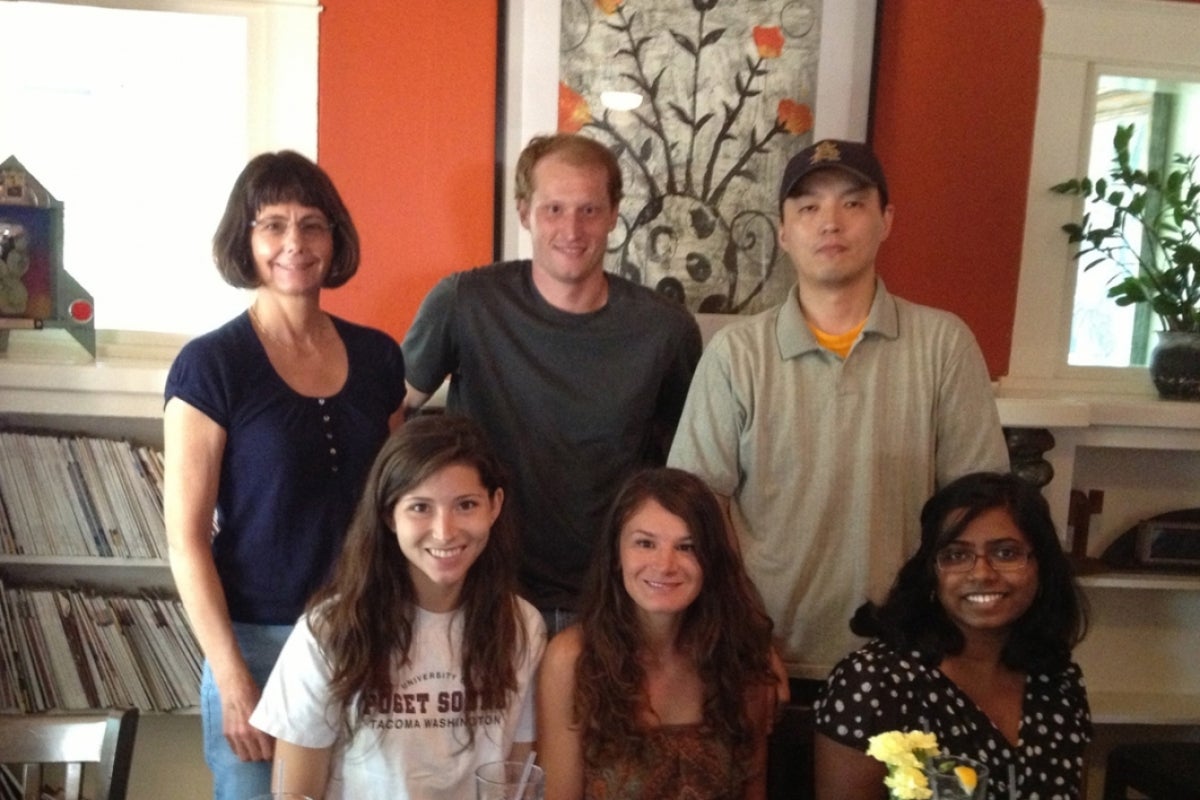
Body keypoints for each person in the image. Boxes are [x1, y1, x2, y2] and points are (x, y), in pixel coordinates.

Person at [667, 139, 1010, 683]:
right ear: (783, 231)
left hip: (909, 657)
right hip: (766, 659)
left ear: (886, 220)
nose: (831, 223)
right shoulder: (736, 355)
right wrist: (746, 631)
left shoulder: (943, 344)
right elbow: (699, 505)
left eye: (852, 203)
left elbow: (980, 505)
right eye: (808, 208)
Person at [163, 151, 405, 800]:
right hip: (255, 643)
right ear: (245, 241)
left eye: (311, 224)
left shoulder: (380, 357)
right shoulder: (210, 365)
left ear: (335, 238)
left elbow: (397, 506)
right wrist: (232, 676)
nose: (293, 243)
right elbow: (185, 540)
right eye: (271, 224)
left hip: (363, 636)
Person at [402, 133, 703, 633]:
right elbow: (390, 418)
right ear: (524, 212)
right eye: (554, 209)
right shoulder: (465, 302)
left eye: (589, 210)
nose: (572, 228)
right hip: (482, 590)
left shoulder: (665, 330)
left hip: (615, 597)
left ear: (613, 215)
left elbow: (690, 470)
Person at [250, 414, 546, 800]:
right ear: (389, 514)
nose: (444, 531)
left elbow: (515, 780)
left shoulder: (522, 625)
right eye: (420, 507)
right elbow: (295, 792)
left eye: (466, 505)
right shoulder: (327, 630)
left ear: (495, 505)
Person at [813, 471, 1091, 800]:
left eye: (1006, 553)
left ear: (1041, 567)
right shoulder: (874, 683)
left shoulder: (1057, 682)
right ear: (932, 573)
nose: (982, 573)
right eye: (956, 555)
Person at [538, 467, 776, 800]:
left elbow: (754, 791)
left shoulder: (741, 657)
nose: (665, 564)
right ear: (616, 555)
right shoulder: (572, 659)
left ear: (711, 560)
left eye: (687, 547)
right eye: (645, 543)